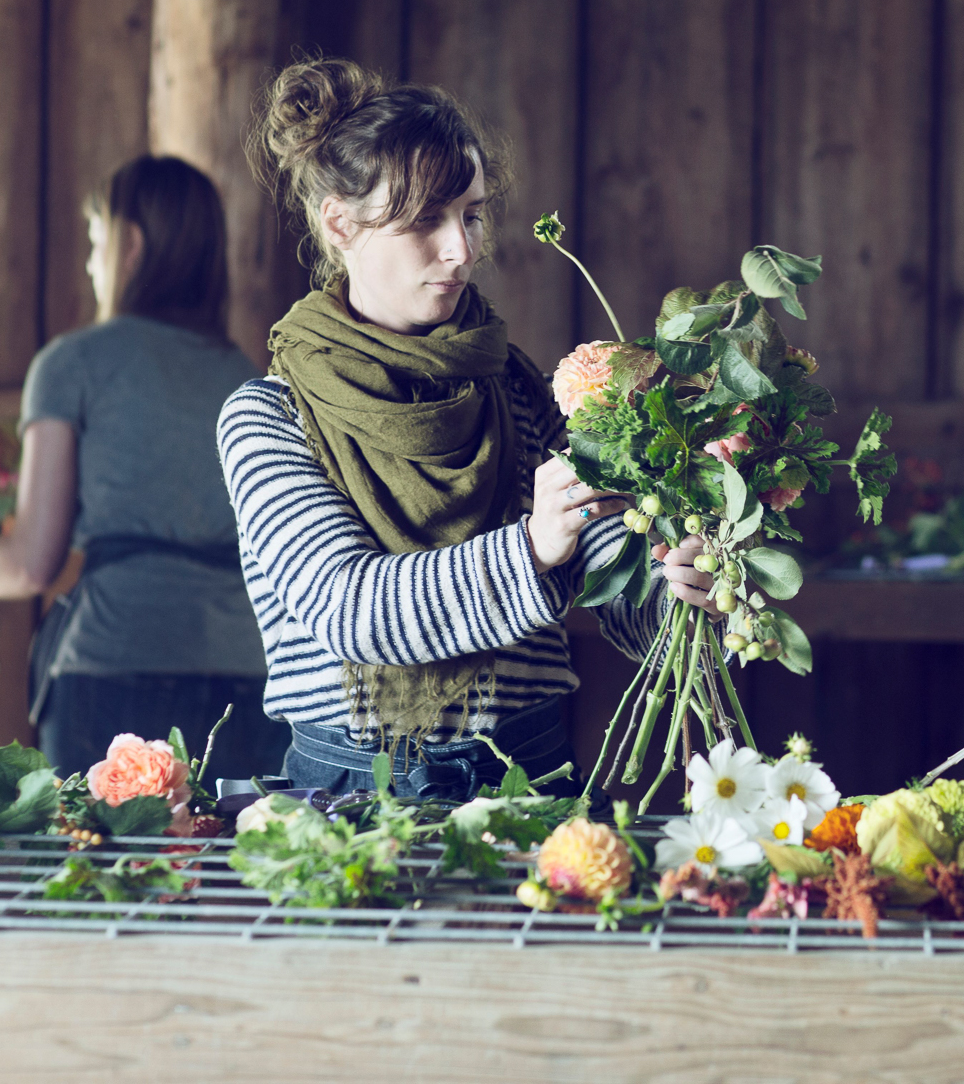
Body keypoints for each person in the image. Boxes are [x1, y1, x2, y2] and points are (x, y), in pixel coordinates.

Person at [218, 58, 719, 800]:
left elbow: (619, 581)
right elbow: (348, 607)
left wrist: (683, 583)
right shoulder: (267, 416)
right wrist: (531, 549)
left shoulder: (523, 392)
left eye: (472, 213)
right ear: (340, 222)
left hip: (532, 780)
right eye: (427, 218)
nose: (462, 248)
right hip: (344, 798)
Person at [0, 156, 290, 780]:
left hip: (112, 671)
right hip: (249, 680)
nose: (88, 262)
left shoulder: (71, 364)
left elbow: (31, 564)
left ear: (129, 245)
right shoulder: (249, 377)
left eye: (95, 242)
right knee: (232, 876)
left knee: (103, 878)